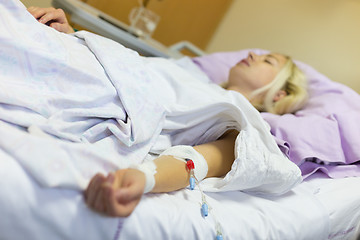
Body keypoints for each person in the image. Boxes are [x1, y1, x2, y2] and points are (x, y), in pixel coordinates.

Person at [27, 6, 308, 217]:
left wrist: (146, 177)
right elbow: (130, 67)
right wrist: (72, 36)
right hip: (82, 66)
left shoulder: (237, 110)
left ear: (280, 93)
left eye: (267, 60)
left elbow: (219, 155)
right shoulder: (188, 71)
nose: (252, 54)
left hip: (92, 92)